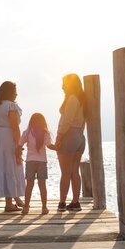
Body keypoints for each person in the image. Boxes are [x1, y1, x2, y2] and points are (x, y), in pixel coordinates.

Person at [0, 81, 25, 212]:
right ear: (9, 92)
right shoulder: (11, 106)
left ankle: (16, 199)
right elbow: (15, 127)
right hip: (7, 138)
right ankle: (9, 204)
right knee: (11, 167)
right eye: (15, 91)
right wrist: (19, 145)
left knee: (1, 168)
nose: (16, 93)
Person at [55, 73, 86, 212]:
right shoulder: (82, 100)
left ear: (70, 84)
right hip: (80, 136)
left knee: (66, 173)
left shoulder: (72, 99)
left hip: (69, 135)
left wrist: (59, 137)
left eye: (64, 84)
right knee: (74, 172)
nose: (62, 87)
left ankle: (62, 203)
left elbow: (67, 120)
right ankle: (75, 202)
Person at [18, 113, 57, 215]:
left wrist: (18, 155)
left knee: (29, 185)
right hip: (42, 162)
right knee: (42, 185)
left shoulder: (27, 132)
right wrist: (59, 147)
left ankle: (26, 207)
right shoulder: (45, 133)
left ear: (31, 121)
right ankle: (44, 208)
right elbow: (49, 146)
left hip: (30, 161)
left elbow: (19, 145)